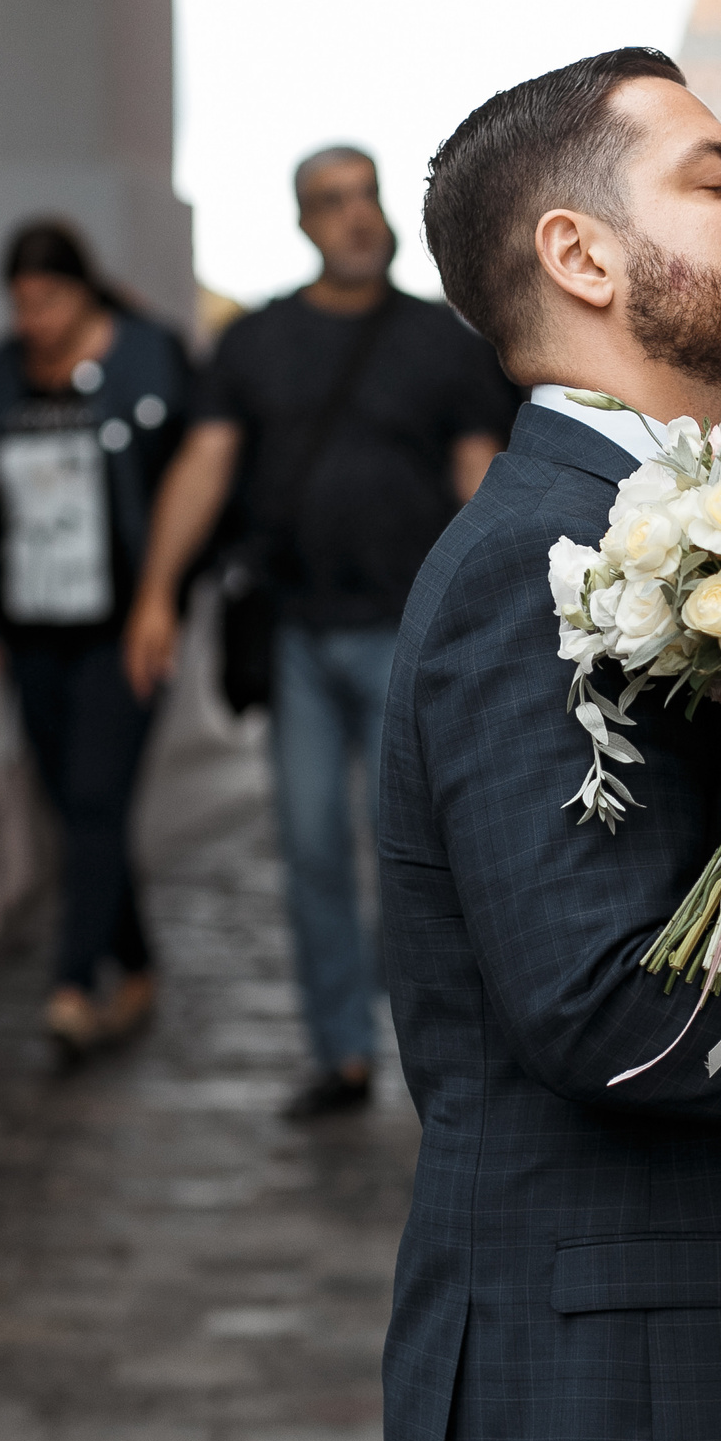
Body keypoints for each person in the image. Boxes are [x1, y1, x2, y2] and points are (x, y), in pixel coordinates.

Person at [375, 47, 721, 1441]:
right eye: (720, 173)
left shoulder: (680, 512)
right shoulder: (538, 558)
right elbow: (601, 1007)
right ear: (578, 253)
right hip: (615, 1370)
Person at [124, 146, 514, 1120]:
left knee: (419, 852)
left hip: (411, 634)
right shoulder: (255, 342)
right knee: (307, 846)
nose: (354, 217)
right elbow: (205, 466)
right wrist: (155, 594)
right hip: (296, 631)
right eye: (330, 203)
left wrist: (515, 606)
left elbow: (481, 481)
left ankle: (449, 1054)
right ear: (303, 224)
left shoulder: (444, 343)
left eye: (364, 197)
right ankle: (340, 1054)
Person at [0, 219, 190, 1064]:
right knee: (73, 803)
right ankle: (134, 961)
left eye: (48, 298)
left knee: (96, 798)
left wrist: (167, 596)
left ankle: (69, 984)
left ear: (83, 289)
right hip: (29, 628)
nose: (34, 319)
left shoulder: (143, 358)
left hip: (121, 627)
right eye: (20, 303)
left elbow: (185, 478)